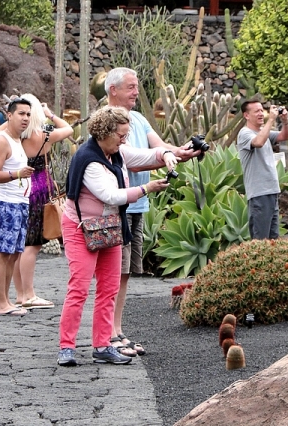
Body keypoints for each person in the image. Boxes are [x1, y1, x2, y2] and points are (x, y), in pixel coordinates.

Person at [57, 105, 177, 366]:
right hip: (82, 228)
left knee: (109, 288)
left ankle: (102, 346)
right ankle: (66, 347)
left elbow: (143, 155)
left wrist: (165, 153)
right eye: (121, 135)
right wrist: (147, 188)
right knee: (79, 288)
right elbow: (110, 195)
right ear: (105, 132)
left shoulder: (115, 153)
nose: (124, 140)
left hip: (109, 227)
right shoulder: (89, 160)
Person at [105, 67, 199, 357]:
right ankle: (107, 334)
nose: (136, 92)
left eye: (136, 86)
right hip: (118, 205)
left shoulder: (139, 118)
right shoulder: (107, 122)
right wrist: (163, 157)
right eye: (131, 87)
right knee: (112, 272)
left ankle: (117, 330)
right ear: (113, 91)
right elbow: (130, 162)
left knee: (126, 274)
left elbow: (159, 147)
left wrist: (180, 152)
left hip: (139, 205)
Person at [11, 93, 73, 309]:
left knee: (22, 244)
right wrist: (51, 114)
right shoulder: (44, 135)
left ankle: (20, 294)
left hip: (20, 186)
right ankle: (29, 294)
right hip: (39, 187)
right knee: (33, 244)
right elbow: (69, 129)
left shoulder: (16, 136)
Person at [0, 98, 35, 316]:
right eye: (21, 114)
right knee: (3, 252)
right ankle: (1, 303)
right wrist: (17, 174)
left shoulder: (17, 140)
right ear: (9, 115)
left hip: (20, 203)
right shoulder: (2, 140)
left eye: (28, 114)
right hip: (7, 203)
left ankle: (6, 300)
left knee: (14, 254)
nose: (25, 118)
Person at [236, 96, 288, 240]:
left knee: (273, 241)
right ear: (246, 115)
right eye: (256, 111)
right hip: (259, 194)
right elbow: (258, 142)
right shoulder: (245, 134)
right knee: (261, 242)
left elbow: (285, 136)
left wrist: (285, 121)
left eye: (262, 110)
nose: (261, 113)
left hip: (272, 191)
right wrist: (271, 120)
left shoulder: (264, 132)